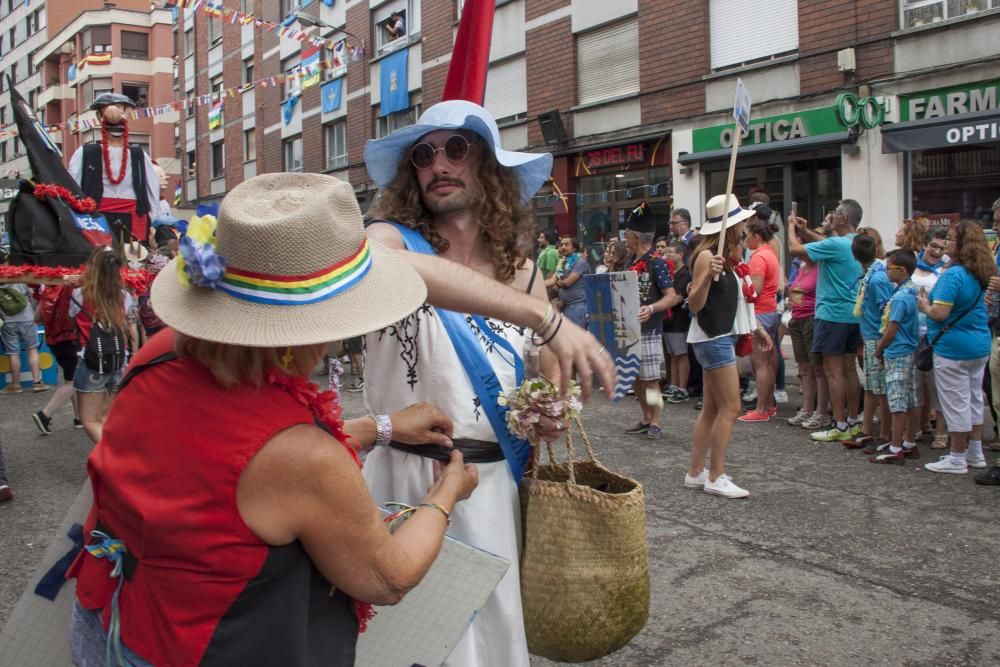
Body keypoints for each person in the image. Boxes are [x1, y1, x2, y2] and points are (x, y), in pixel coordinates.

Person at [67, 173, 480, 666]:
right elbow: (387, 577)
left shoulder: (162, 353)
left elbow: (230, 467)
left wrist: (383, 427)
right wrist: (446, 493)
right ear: (302, 333)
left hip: (110, 621)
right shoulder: (302, 457)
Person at [360, 99, 615, 667]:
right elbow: (382, 267)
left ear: (488, 166)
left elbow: (547, 367)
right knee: (401, 642)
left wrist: (551, 407)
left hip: (491, 481)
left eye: (456, 148)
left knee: (489, 640)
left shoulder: (521, 270)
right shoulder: (389, 238)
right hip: (403, 476)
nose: (437, 165)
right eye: (423, 155)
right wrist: (543, 317)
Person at [686, 195, 771, 499]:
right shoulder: (708, 257)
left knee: (712, 408)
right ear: (730, 226)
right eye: (741, 223)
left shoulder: (727, 257)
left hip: (719, 336)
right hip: (714, 338)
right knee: (731, 407)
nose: (746, 227)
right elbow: (694, 304)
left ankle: (697, 472)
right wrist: (707, 276)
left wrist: (756, 328)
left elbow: (735, 303)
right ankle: (715, 475)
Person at [919, 221, 993, 474]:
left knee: (956, 403)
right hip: (978, 343)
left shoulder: (953, 274)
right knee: (973, 400)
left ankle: (957, 457)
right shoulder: (979, 271)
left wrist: (923, 306)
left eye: (950, 239)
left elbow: (939, 313)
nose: (945, 244)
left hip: (953, 348)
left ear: (960, 245)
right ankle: (975, 452)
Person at [788, 199, 864, 443]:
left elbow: (794, 250)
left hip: (832, 314)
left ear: (842, 218)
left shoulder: (838, 243)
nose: (830, 218)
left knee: (833, 372)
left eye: (833, 214)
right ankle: (852, 420)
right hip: (852, 315)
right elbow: (824, 244)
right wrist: (805, 231)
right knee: (849, 369)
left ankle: (839, 423)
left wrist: (791, 228)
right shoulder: (855, 242)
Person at [68, 93, 159, 245]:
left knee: (133, 259)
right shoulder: (85, 153)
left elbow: (152, 188)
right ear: (99, 117)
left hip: (133, 214)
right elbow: (73, 186)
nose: (115, 118)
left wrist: (152, 217)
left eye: (121, 111)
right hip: (96, 215)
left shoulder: (139, 155)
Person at [622, 201, 679, 440]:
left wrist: (651, 308)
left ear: (635, 236)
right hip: (629, 328)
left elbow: (672, 296)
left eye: (627, 235)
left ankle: (656, 419)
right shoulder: (630, 262)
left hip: (649, 329)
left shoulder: (657, 262)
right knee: (634, 377)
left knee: (651, 379)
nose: (625, 239)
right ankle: (646, 416)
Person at [69, 247, 132, 444]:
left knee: (89, 419)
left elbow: (71, 319)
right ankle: (110, 461)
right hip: (118, 359)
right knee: (105, 416)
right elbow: (128, 326)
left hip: (91, 360)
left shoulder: (79, 293)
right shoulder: (124, 296)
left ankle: (113, 461)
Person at [869, 249, 922, 463]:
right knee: (910, 399)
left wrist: (879, 349)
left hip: (897, 351)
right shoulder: (910, 290)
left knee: (897, 401)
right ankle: (909, 442)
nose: (886, 272)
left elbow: (891, 329)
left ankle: (896, 446)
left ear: (901, 270)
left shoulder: (900, 298)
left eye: (888, 268)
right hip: (908, 350)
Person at [845, 234, 891, 451]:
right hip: (870, 334)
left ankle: (884, 434)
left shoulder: (878, 277)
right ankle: (866, 431)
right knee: (872, 386)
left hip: (877, 337)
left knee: (880, 388)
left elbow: (886, 310)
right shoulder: (872, 274)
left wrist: (881, 341)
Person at [739, 218, 782, 422]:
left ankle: (761, 408)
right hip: (770, 310)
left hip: (760, 312)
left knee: (761, 363)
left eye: (747, 235)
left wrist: (738, 286)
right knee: (769, 361)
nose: (745, 239)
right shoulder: (770, 254)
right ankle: (769, 405)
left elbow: (753, 291)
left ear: (756, 236)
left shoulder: (758, 257)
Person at [912, 227, 949, 449]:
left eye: (942, 248)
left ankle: (941, 433)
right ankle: (916, 426)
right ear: (925, 245)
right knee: (915, 385)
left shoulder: (946, 272)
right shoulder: (912, 266)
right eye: (933, 245)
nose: (936, 251)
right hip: (911, 333)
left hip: (935, 335)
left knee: (937, 386)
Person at [785, 256, 830, 429]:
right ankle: (807, 408)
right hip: (797, 317)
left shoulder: (822, 269)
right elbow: (794, 289)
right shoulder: (803, 268)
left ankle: (821, 412)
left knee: (817, 368)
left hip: (811, 318)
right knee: (804, 368)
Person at [32, 284, 82, 434]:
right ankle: (44, 415)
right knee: (73, 381)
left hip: (53, 340)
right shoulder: (74, 289)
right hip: (71, 339)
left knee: (70, 377)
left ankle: (78, 418)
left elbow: (37, 318)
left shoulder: (48, 291)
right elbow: (74, 318)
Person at [1, 282, 48, 393]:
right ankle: (37, 383)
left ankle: (16, 385)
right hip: (27, 318)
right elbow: (32, 293)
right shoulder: (19, 278)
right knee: (32, 349)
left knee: (13, 353)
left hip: (7, 320)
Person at [662, 241, 691, 403]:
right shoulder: (669, 272)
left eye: (670, 252)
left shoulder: (684, 274)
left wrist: (660, 305)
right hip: (667, 319)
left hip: (678, 318)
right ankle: (673, 384)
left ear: (680, 254)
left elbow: (678, 297)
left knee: (681, 353)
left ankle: (682, 388)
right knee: (673, 354)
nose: (667, 255)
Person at [545, 236, 592, 329]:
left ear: (574, 248)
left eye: (566, 244)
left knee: (577, 339)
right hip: (566, 308)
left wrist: (556, 284)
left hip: (578, 307)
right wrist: (536, 283)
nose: (563, 247)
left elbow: (567, 283)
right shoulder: (562, 263)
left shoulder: (580, 262)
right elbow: (551, 281)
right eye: (561, 244)